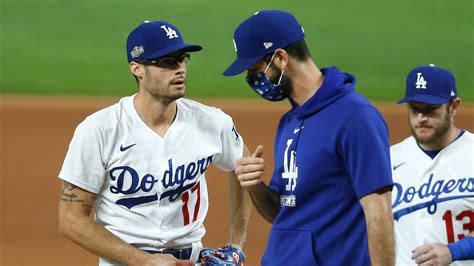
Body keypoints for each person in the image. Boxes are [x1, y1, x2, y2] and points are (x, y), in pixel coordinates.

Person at [57, 20, 252, 265]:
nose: (180, 69)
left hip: (192, 259)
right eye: (167, 62)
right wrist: (143, 261)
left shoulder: (213, 122)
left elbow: (243, 166)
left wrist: (236, 245)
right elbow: (70, 219)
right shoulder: (99, 130)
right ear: (137, 68)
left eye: (182, 59)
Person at [223, 10, 395, 266]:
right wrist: (255, 186)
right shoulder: (289, 122)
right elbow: (283, 209)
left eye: (255, 69)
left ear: (280, 58)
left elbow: (378, 212)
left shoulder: (355, 117)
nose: (252, 80)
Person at [391, 64, 474, 266]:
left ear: (453, 107)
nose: (421, 118)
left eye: (431, 110)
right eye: (415, 109)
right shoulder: (389, 159)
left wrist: (454, 251)